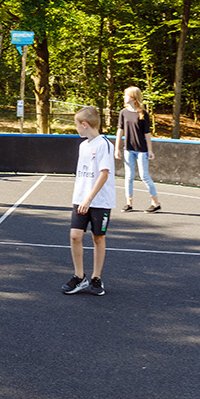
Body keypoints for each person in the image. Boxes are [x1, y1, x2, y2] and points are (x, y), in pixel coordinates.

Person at [61, 106, 115, 296]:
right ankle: (79, 276)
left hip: (99, 201)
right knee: (75, 236)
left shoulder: (105, 145)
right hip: (80, 200)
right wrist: (81, 198)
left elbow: (104, 174)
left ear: (84, 125)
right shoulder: (83, 145)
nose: (76, 129)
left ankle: (96, 278)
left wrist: (89, 198)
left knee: (97, 238)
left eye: (77, 125)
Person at [114, 86, 161, 213]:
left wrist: (150, 150)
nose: (124, 97)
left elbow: (147, 134)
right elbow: (120, 130)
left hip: (141, 150)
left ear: (133, 97)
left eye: (126, 95)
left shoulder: (142, 113)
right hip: (128, 149)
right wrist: (117, 148)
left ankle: (155, 203)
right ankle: (129, 203)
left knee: (144, 176)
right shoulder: (123, 112)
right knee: (128, 176)